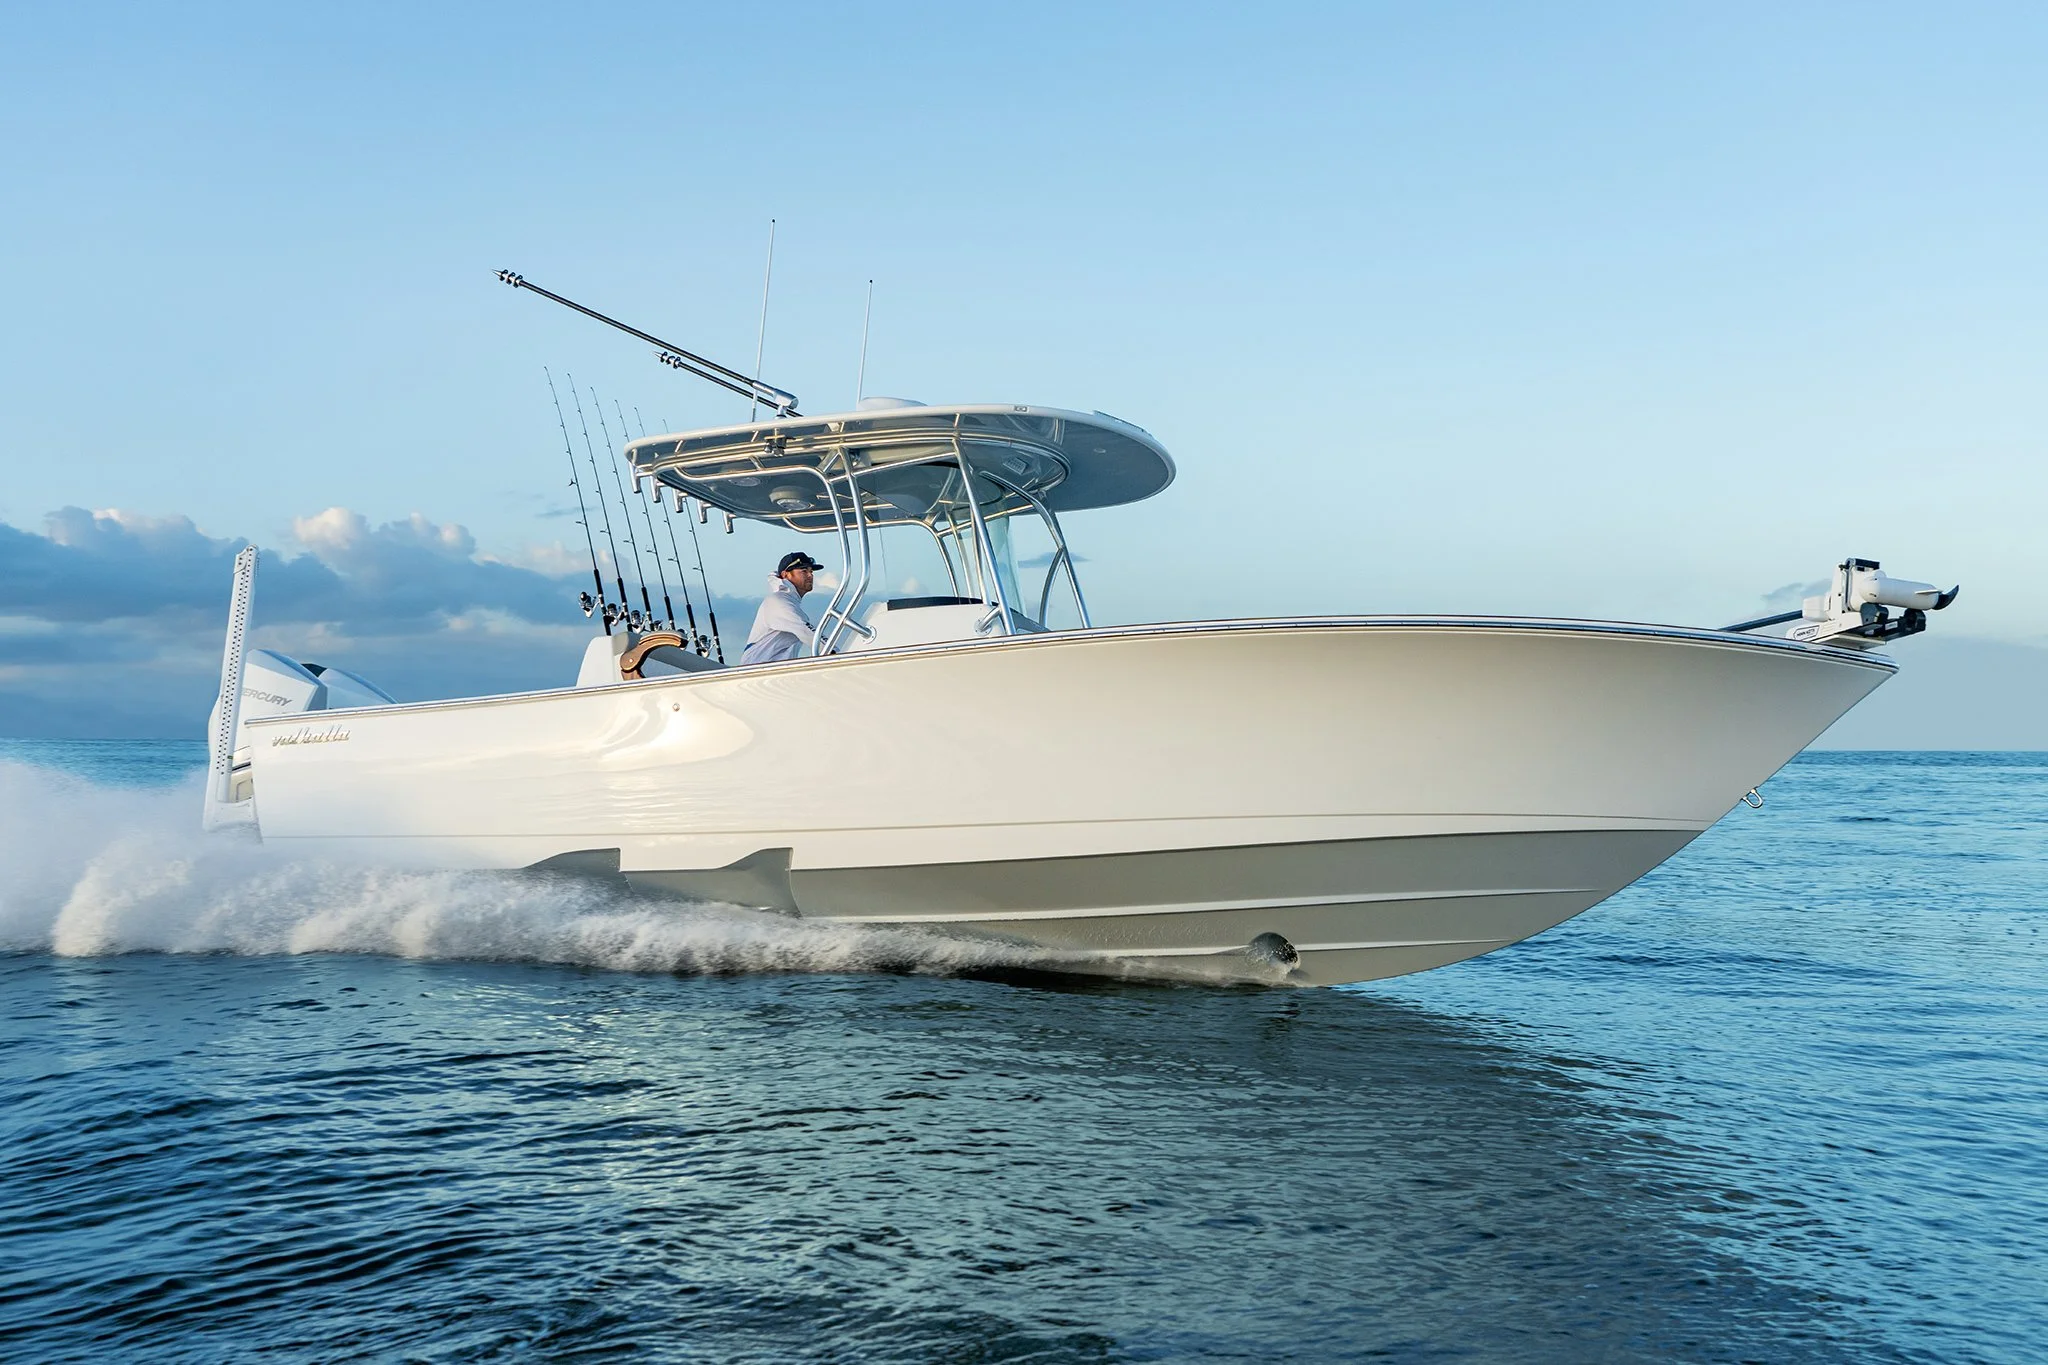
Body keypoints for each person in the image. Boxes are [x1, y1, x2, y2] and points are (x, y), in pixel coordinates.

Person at [740, 551, 826, 665]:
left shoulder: (787, 601)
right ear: (785, 575)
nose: (810, 575)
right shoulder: (778, 602)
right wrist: (836, 653)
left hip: (771, 670)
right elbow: (806, 631)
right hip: (758, 672)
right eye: (804, 571)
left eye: (811, 571)